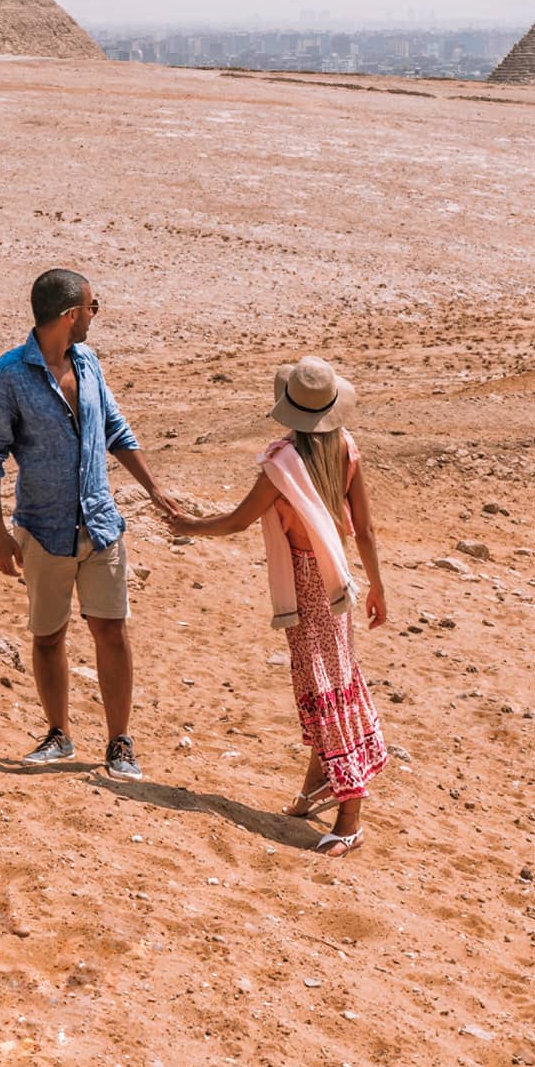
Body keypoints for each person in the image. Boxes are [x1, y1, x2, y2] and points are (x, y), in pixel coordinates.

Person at [166, 357, 389, 855]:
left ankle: (351, 815)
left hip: (307, 584)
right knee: (328, 679)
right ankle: (318, 785)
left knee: (328, 688)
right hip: (338, 582)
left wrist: (191, 526)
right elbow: (366, 531)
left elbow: (239, 521)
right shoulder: (347, 450)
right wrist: (377, 588)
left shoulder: (281, 466)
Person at [0, 268, 177, 779]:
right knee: (48, 636)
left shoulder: (89, 362)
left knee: (112, 631)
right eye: (91, 307)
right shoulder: (5, 378)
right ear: (69, 315)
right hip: (43, 529)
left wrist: (154, 488)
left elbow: (114, 428)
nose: (94, 314)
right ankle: (58, 734)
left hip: (101, 524)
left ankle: (119, 742)